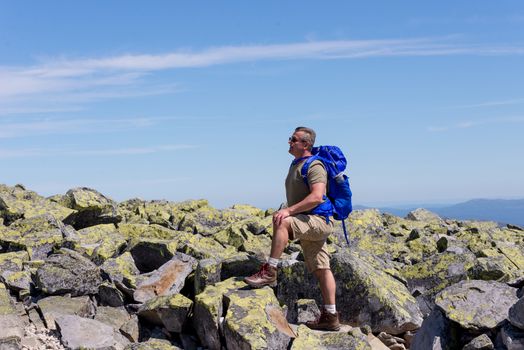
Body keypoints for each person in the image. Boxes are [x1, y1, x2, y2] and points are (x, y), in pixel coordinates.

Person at [244, 126, 340, 331]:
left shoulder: (315, 165)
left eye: (293, 139)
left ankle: (270, 271)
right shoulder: (296, 164)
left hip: (318, 221)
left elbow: (317, 196)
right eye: (290, 138)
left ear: (306, 144)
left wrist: (289, 211)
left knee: (282, 221)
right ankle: (331, 317)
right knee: (322, 268)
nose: (289, 142)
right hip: (309, 221)